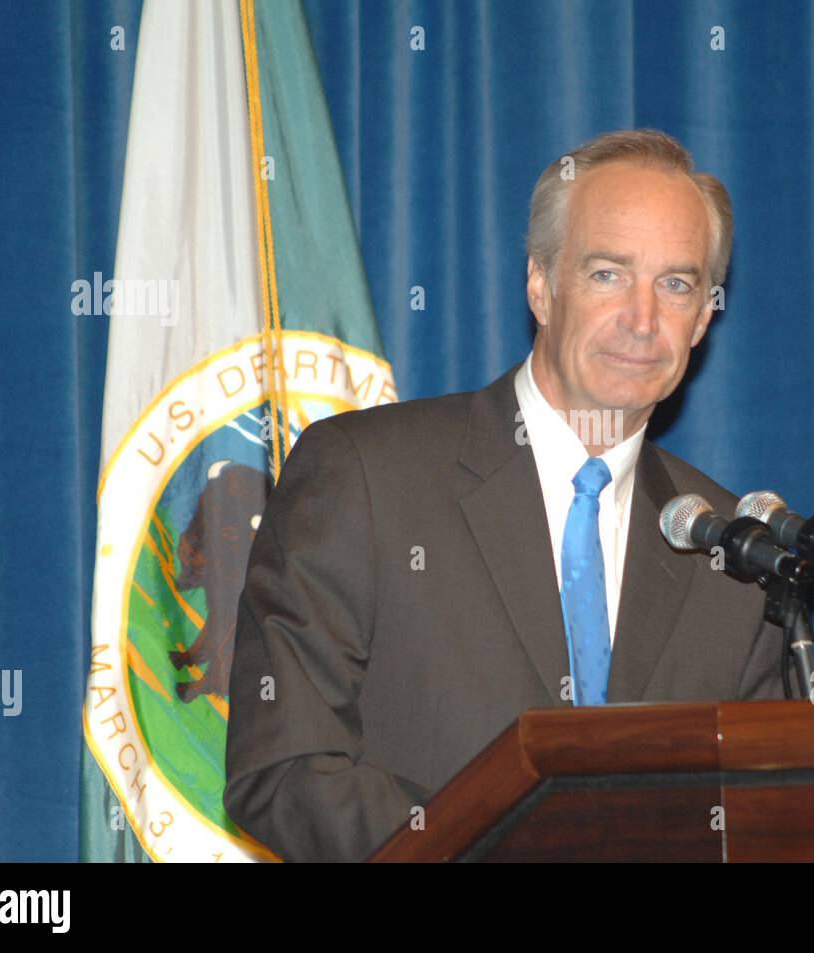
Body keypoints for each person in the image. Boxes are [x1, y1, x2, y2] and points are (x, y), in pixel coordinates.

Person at [224, 128, 784, 862]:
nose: (643, 320)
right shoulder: (366, 475)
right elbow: (285, 767)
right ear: (541, 286)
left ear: (705, 316)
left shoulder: (732, 553)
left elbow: (754, 821)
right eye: (608, 274)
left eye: (675, 284)